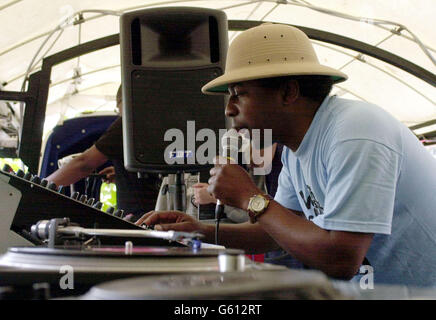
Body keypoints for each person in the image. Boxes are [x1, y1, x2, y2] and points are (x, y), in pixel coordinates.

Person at [136, 23, 436, 287]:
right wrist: (199, 231)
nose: (229, 109)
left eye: (239, 93)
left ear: (288, 92)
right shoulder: (295, 151)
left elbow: (341, 261)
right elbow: (277, 231)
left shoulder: (355, 132)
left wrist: (249, 197)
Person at [46, 85, 160, 220]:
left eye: (119, 110)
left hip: (140, 219)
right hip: (158, 215)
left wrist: (41, 185)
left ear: (126, 100)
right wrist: (122, 175)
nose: (120, 115)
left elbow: (84, 164)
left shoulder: (129, 123)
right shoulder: (159, 121)